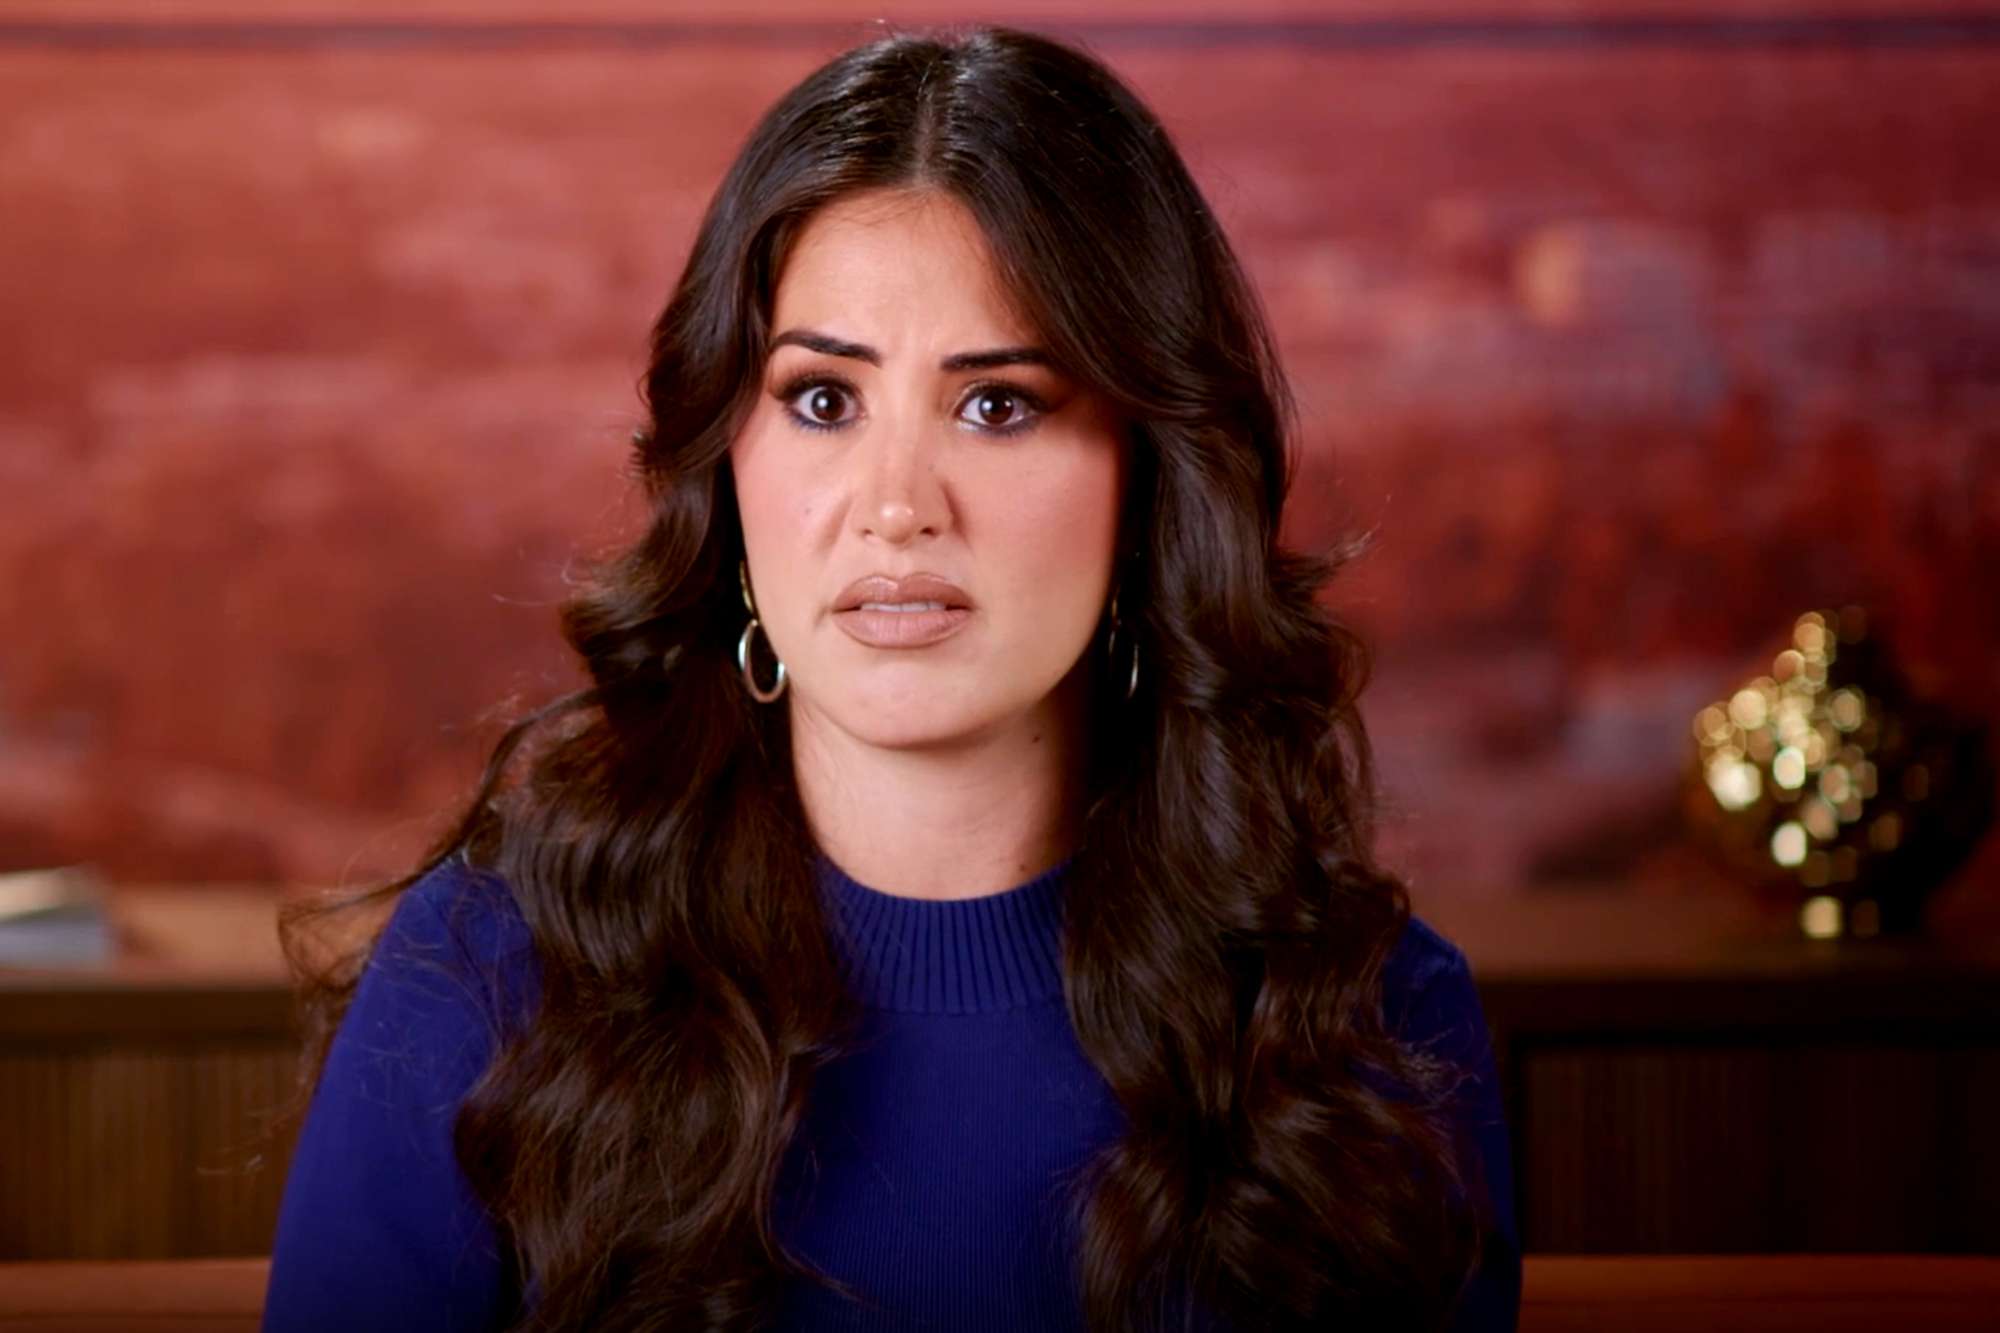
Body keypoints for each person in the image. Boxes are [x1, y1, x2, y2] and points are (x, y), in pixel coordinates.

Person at [262, 24, 1520, 1333]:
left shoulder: (1372, 1029)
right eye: (823, 400)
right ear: (726, 464)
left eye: (997, 405)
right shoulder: (480, 981)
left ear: (1150, 473)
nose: (897, 505)